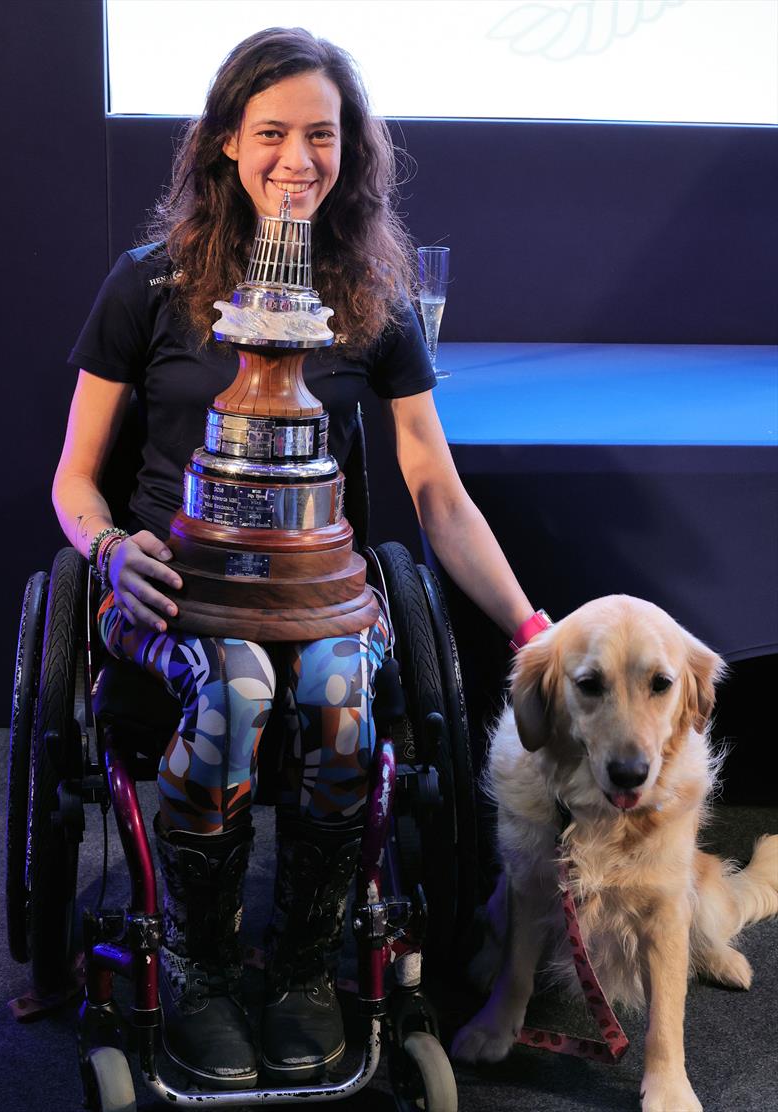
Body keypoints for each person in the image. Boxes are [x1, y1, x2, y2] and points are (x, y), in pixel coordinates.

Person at [53, 26, 545, 1091]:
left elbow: (435, 490)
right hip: (173, 589)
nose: (296, 158)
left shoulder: (372, 295)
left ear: (348, 149)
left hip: (316, 596)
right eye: (271, 131)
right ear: (226, 141)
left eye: (320, 135)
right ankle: (205, 964)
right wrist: (107, 547)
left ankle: (302, 965)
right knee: (233, 689)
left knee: (334, 688)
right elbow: (73, 478)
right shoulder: (149, 282)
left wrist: (528, 628)